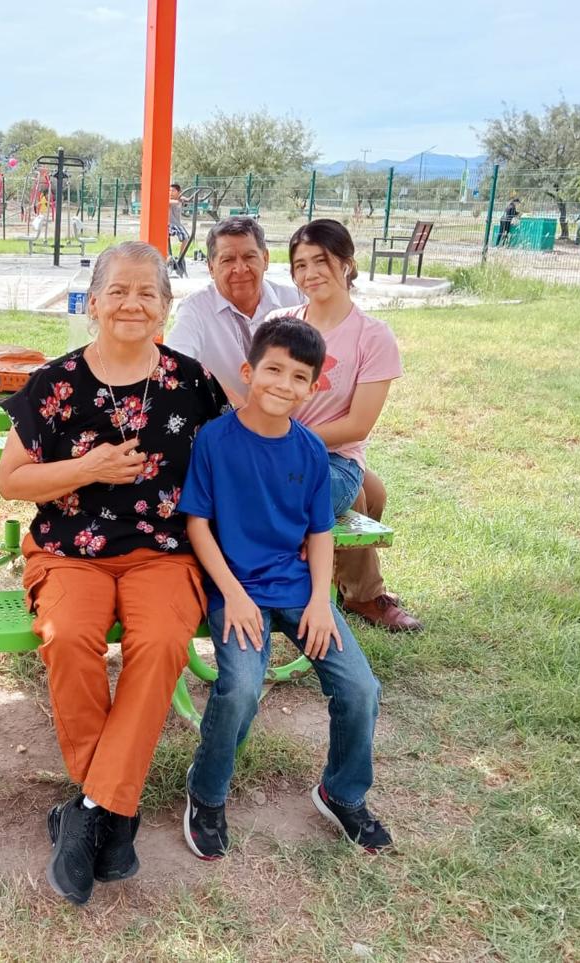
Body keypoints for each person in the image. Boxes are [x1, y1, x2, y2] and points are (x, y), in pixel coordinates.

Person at [0, 241, 230, 905]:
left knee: (161, 643)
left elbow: (229, 467)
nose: (132, 303)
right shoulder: (55, 382)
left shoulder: (193, 383)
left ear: (166, 305)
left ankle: (90, 810)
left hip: (163, 550)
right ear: (93, 302)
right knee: (68, 636)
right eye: (118, 291)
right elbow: (11, 481)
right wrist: (87, 468)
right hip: (70, 548)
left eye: (147, 292)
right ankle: (115, 814)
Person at [179, 318, 392, 857]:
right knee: (240, 688)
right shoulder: (214, 440)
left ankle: (341, 792)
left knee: (360, 688)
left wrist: (320, 601)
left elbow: (320, 533)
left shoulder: (311, 450)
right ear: (248, 372)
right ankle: (206, 792)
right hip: (236, 590)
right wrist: (234, 594)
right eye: (273, 369)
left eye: (299, 377)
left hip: (299, 590)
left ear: (314, 387)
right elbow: (197, 525)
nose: (283, 384)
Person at [275, 219, 421, 632]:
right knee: (367, 495)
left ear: (347, 263)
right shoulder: (280, 323)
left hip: (333, 455)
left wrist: (288, 439)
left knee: (332, 489)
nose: (310, 273)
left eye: (321, 260)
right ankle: (357, 592)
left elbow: (357, 425)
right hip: (275, 452)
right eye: (300, 264)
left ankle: (357, 594)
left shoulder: (371, 336)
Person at [165, 216, 304, 407]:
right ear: (211, 268)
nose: (240, 269)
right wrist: (236, 408)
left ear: (265, 259)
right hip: (227, 418)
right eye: (228, 260)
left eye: (249, 257)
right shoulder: (195, 309)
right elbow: (175, 367)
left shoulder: (296, 301)